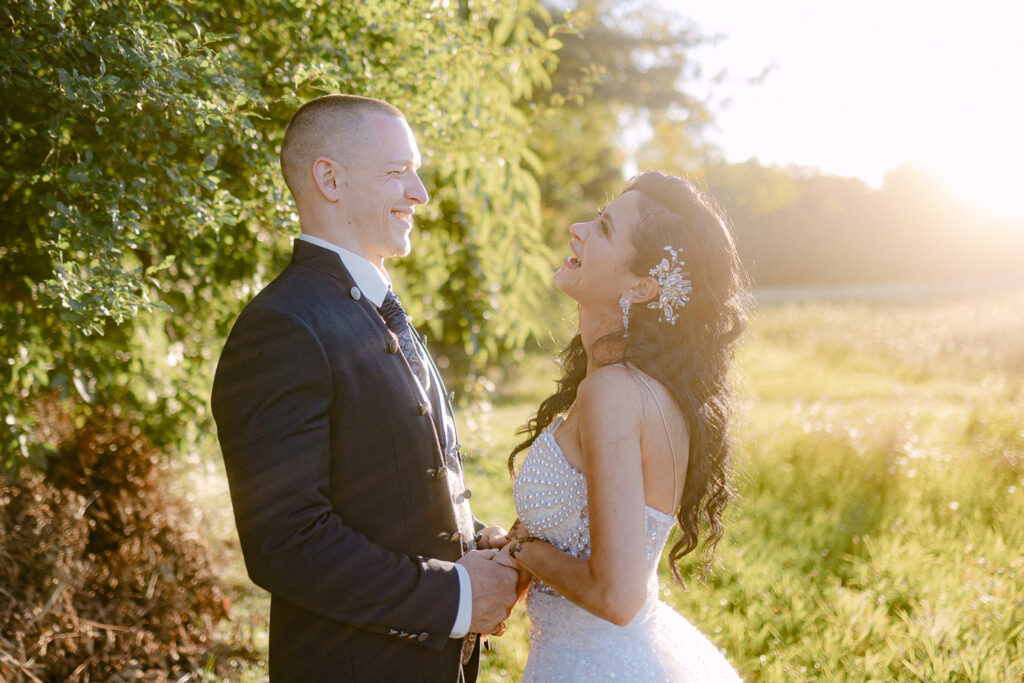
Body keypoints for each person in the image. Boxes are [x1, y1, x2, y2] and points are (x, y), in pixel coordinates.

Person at [211, 94, 519, 682]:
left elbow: (389, 484)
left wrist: (475, 541)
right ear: (328, 179)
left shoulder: (376, 307)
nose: (420, 194)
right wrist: (453, 596)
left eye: (417, 172)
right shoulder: (283, 326)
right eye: (398, 172)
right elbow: (286, 540)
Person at [494, 171, 747, 681]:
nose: (577, 228)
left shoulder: (614, 391)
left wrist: (525, 550)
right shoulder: (635, 385)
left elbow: (617, 597)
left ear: (642, 286)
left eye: (604, 228)